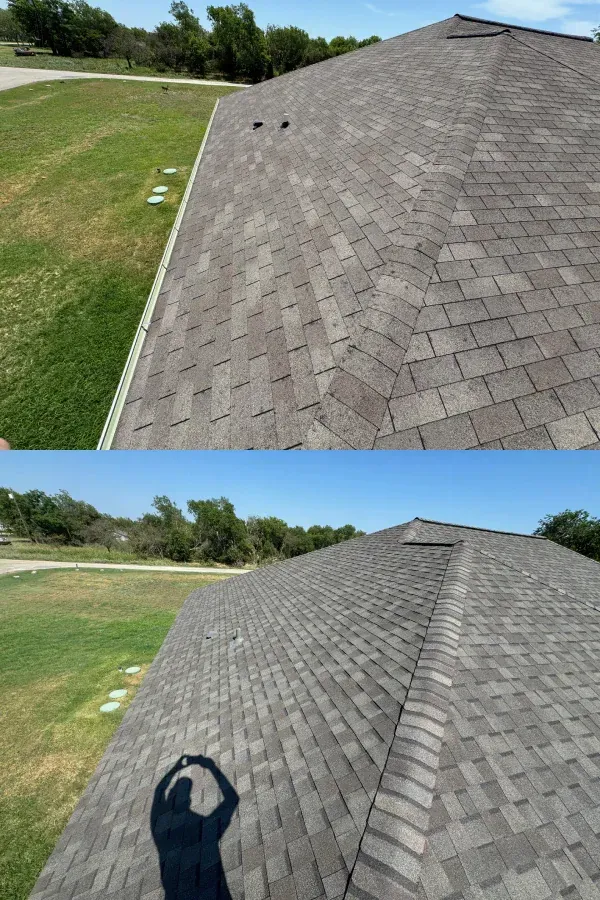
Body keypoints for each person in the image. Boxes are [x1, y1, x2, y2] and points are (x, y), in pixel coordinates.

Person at [151, 754, 239, 900]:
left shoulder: (160, 827)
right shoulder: (206, 827)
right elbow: (232, 799)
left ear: (171, 797)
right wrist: (211, 767)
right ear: (190, 799)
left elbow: (159, 791)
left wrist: (176, 768)